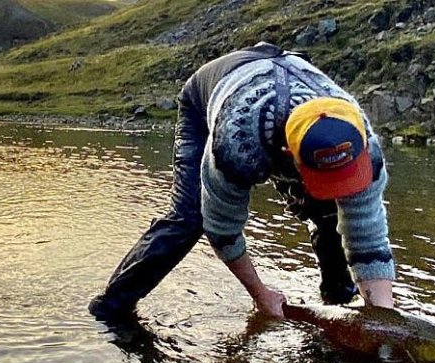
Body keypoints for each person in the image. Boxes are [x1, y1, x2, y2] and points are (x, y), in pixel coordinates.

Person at [89, 41, 395, 322]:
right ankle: (110, 307)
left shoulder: (363, 145)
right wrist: (260, 294)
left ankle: (338, 303)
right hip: (209, 97)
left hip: (285, 76)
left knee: (327, 213)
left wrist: (382, 321)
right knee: (191, 218)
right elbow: (222, 229)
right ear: (288, 155)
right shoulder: (237, 142)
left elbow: (369, 238)